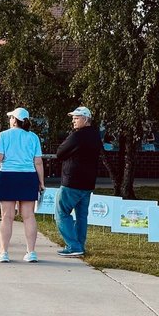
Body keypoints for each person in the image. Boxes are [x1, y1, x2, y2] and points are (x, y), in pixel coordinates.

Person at [0, 107, 45, 263]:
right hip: (28, 176)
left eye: (11, 118)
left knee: (7, 216)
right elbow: (38, 161)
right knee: (28, 215)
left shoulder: (3, 135)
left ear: (15, 120)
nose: (9, 120)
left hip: (8, 176)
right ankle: (31, 252)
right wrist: (41, 182)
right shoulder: (33, 137)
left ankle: (3, 252)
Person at [55, 106, 103, 257]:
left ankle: (73, 245)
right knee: (81, 216)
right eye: (73, 118)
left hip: (72, 181)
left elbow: (60, 153)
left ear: (86, 119)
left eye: (76, 118)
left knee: (61, 213)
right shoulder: (96, 136)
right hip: (88, 182)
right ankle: (80, 245)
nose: (74, 121)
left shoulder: (77, 136)